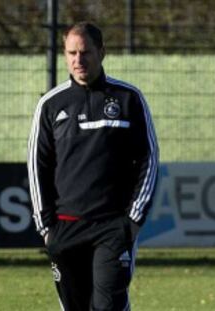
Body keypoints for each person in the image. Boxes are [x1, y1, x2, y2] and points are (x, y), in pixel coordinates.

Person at [28, 21, 159, 311]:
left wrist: (133, 221)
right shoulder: (50, 105)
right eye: (71, 53)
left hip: (113, 227)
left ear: (102, 52)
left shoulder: (129, 99)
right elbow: (38, 167)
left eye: (85, 52)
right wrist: (46, 227)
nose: (78, 60)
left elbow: (149, 159)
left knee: (107, 306)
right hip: (65, 229)